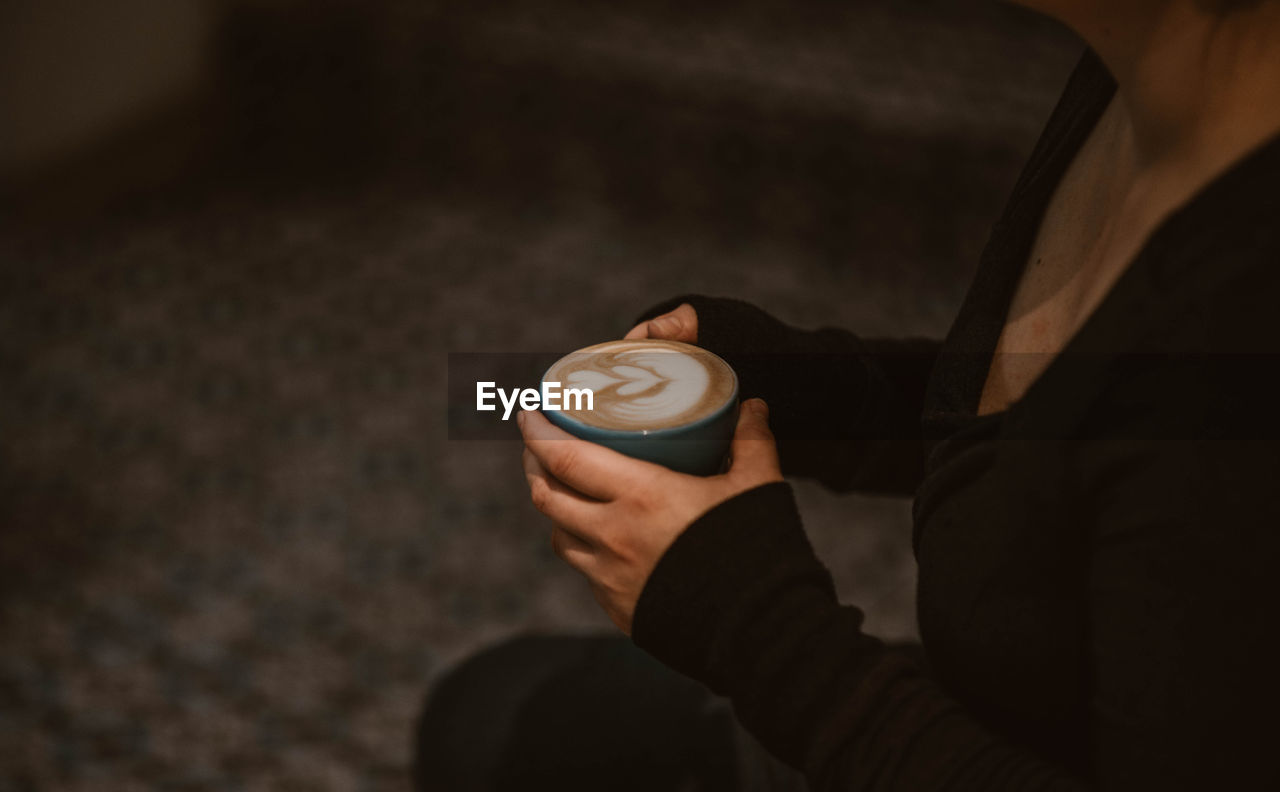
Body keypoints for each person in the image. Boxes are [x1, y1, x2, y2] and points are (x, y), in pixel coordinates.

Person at [417, 0, 1280, 788]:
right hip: (1023, 709)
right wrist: (822, 390)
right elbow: (1078, 429)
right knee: (490, 714)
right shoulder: (1141, 76)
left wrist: (761, 636)